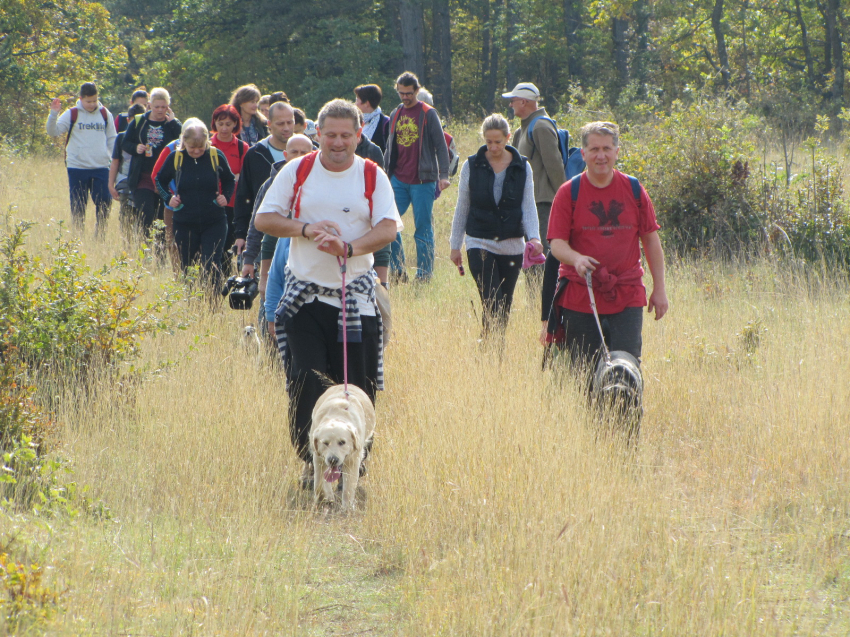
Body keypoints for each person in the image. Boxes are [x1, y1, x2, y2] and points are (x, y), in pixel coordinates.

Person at [254, 98, 402, 487]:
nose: (338, 143)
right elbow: (265, 219)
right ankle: (311, 462)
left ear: (358, 136)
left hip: (355, 296)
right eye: (330, 135)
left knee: (358, 385)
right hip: (306, 299)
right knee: (306, 381)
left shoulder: (373, 175)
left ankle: (355, 460)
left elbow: (389, 227)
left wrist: (350, 249)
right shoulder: (296, 171)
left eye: (346, 136)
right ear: (317, 134)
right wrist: (306, 229)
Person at [545, 121, 668, 373]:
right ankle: (590, 414)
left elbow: (651, 240)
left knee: (627, 367)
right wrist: (576, 259)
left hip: (627, 291)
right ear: (583, 154)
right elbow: (557, 244)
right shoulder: (569, 192)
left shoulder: (634, 189)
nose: (601, 156)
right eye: (594, 149)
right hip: (581, 294)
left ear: (617, 152)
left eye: (607, 149)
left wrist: (660, 289)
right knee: (584, 371)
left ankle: (626, 413)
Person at [450, 114, 543, 337]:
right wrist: (456, 244)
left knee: (504, 304)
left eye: (498, 142)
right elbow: (462, 206)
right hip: (479, 241)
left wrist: (535, 237)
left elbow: (528, 205)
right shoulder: (471, 165)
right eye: (489, 141)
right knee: (492, 299)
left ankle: (492, 351)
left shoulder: (523, 167)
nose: (493, 147)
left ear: (508, 138)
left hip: (512, 245)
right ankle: (492, 347)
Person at [384, 71, 450, 282]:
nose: (405, 97)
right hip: (399, 179)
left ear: (417, 91)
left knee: (423, 229)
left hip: (423, 180)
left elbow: (441, 146)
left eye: (409, 93)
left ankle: (424, 275)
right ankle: (397, 270)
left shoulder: (428, 113)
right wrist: (386, 175)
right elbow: (389, 147)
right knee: (388, 223)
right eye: (401, 93)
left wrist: (444, 175)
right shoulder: (395, 114)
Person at [154, 118, 235, 283]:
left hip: (214, 220)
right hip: (184, 221)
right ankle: (190, 305)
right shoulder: (176, 157)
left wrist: (225, 196)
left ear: (207, 142)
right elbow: (159, 180)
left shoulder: (215, 155)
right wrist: (169, 198)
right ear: (183, 142)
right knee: (186, 266)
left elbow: (230, 180)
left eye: (201, 147)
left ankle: (212, 305)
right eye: (192, 148)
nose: (197, 151)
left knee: (211, 263)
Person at [504, 82, 566, 286]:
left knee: (539, 255)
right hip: (530, 203)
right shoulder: (526, 128)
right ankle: (536, 300)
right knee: (530, 255)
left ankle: (544, 301)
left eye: (513, 101)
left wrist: (565, 200)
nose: (511, 105)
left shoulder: (540, 126)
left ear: (524, 101)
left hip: (543, 203)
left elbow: (554, 166)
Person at [233, 101, 296, 282]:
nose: (286, 128)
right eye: (280, 123)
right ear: (269, 124)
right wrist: (240, 234)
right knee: (268, 290)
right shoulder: (255, 154)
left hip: (301, 236)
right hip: (265, 234)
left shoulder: (310, 151)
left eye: (290, 122)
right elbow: (245, 196)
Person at [46, 82, 118, 237]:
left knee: (105, 201)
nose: (92, 104)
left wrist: (115, 162)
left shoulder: (105, 114)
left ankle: (100, 235)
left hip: (101, 167)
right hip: (77, 167)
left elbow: (112, 138)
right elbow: (53, 132)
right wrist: (53, 114)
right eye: (88, 101)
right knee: (78, 205)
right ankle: (78, 237)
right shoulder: (72, 113)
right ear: (81, 99)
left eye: (94, 101)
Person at [121, 87, 182, 236]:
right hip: (143, 177)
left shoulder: (173, 123)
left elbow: (184, 141)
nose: (160, 110)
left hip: (165, 179)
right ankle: (145, 250)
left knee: (161, 219)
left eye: (164, 107)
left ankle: (160, 254)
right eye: (157, 107)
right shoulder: (138, 121)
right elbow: (125, 143)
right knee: (146, 216)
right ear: (149, 105)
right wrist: (136, 148)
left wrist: (173, 122)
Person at [210, 104, 250, 272]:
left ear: (235, 124)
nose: (224, 128)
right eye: (220, 123)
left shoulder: (243, 148)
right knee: (211, 247)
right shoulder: (207, 145)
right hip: (210, 203)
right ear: (214, 124)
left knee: (228, 247)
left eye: (228, 123)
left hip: (234, 204)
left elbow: (245, 178)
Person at [108, 103, 146, 238]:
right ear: (128, 120)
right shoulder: (121, 137)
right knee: (126, 219)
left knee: (143, 219)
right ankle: (128, 247)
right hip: (124, 181)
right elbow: (115, 161)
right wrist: (111, 185)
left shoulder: (148, 137)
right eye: (133, 120)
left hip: (143, 182)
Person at [354, 84, 389, 152]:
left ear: (367, 103)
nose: (355, 104)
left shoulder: (386, 123)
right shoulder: (354, 122)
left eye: (357, 100)